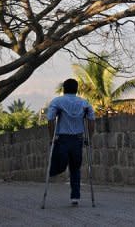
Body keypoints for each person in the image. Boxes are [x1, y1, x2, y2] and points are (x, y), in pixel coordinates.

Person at [47, 78, 95, 206]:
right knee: (75, 168)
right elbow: (91, 120)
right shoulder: (84, 103)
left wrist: (52, 137)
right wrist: (89, 137)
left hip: (62, 139)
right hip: (77, 140)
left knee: (62, 164)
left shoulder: (57, 101)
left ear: (63, 89)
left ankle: (72, 193)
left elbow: (50, 119)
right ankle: (75, 196)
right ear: (76, 89)